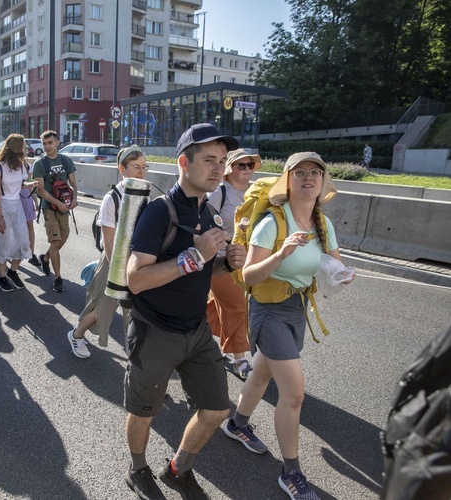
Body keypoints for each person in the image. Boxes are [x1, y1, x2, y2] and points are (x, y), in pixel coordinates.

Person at [122, 123, 246, 499]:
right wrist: (194, 256)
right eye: (209, 160)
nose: (218, 169)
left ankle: (178, 468)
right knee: (145, 411)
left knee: (217, 409)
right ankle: (137, 467)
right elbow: (136, 279)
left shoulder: (209, 212)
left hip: (196, 331)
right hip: (154, 330)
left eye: (222, 161)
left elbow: (205, 269)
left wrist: (227, 263)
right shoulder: (160, 212)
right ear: (183, 162)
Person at [222, 152, 347, 500]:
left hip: (297, 309)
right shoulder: (272, 223)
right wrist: (281, 255)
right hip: (268, 309)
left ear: (323, 182)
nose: (308, 178)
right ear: (287, 181)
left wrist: (343, 274)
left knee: (261, 373)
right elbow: (248, 274)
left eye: (315, 173)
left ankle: (237, 424)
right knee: (293, 395)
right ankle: (291, 472)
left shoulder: (323, 224)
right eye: (300, 172)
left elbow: (334, 264)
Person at [67, 145, 147, 359]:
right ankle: (76, 335)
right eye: (135, 167)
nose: (141, 171)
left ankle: (135, 355)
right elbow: (109, 240)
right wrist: (120, 271)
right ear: (122, 169)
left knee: (135, 312)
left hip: (136, 262)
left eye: (143, 167)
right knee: (102, 309)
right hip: (114, 263)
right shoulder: (112, 198)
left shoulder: (145, 195)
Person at [206, 148, 261, 379]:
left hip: (248, 261)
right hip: (220, 261)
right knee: (238, 307)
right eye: (241, 165)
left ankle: (193, 339)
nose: (247, 169)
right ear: (229, 169)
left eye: (250, 165)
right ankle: (240, 359)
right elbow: (203, 221)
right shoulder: (220, 192)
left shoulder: (256, 193)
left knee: (216, 307)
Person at [32, 130, 79, 292]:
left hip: (64, 207)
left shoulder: (66, 161)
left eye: (50, 143)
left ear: (57, 142)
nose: (47, 147)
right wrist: (57, 203)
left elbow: (73, 183)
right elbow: (41, 191)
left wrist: (74, 199)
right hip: (49, 207)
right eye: (44, 144)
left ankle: (45, 258)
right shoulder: (39, 164)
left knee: (63, 238)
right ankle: (58, 277)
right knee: (55, 242)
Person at [0, 134, 37, 292]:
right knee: (2, 243)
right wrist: (0, 217)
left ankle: (12, 271)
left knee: (24, 242)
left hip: (17, 205)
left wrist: (32, 184)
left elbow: (20, 185)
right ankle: (2, 278)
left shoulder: (21, 165)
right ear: (14, 147)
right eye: (21, 146)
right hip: (1, 206)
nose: (24, 149)